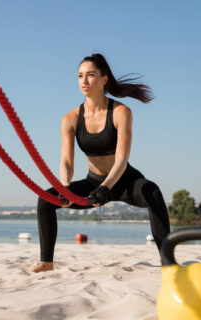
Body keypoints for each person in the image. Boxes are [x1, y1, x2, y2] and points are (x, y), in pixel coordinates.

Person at [32, 53, 170, 273]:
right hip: (93, 181)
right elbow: (67, 160)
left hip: (123, 179)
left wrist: (107, 187)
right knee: (45, 199)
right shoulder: (70, 118)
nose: (84, 81)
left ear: (104, 79)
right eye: (80, 76)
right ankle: (46, 262)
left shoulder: (121, 112)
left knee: (152, 192)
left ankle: (168, 262)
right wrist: (65, 187)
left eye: (90, 75)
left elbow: (122, 158)